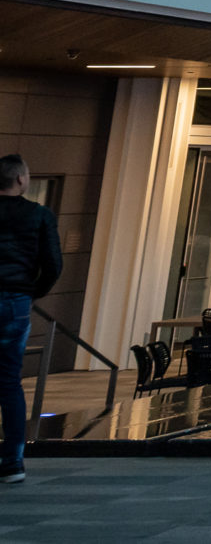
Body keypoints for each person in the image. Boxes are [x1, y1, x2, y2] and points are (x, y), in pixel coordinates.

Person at [0, 154, 63, 484]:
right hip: (15, 300)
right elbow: (53, 263)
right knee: (9, 381)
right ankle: (12, 462)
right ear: (21, 180)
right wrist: (32, 292)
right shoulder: (39, 215)